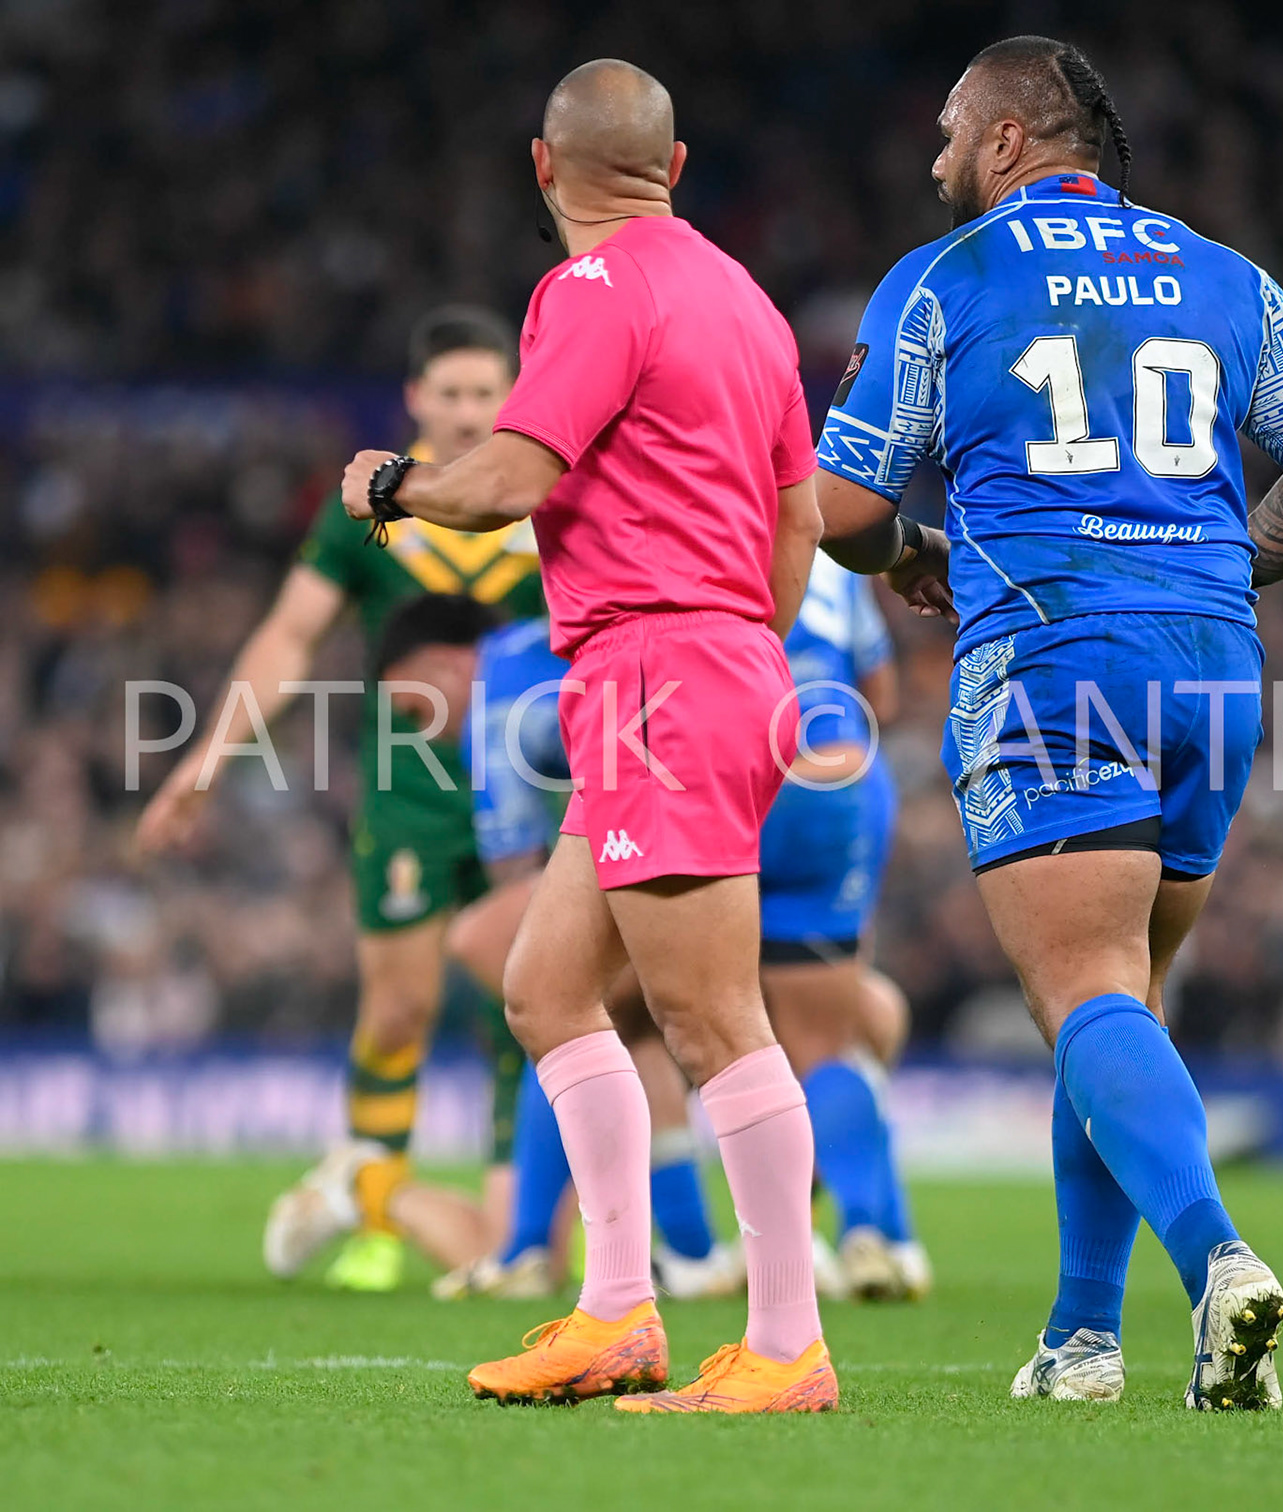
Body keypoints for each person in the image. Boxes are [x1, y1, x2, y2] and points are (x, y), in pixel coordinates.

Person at [813, 37, 1283, 1409]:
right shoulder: (1222, 272)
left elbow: (835, 510)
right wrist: (1220, 566)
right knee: (1116, 997)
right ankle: (1082, 1340)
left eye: (955, 131)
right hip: (1210, 661)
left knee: (1083, 991)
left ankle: (1220, 1263)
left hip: (1052, 654)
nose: (937, 156)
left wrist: (904, 544)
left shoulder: (949, 278)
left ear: (1014, 137)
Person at [341, 58, 833, 1415]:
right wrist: (750, 647)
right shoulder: (748, 302)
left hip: (662, 666)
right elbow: (798, 519)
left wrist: (395, 487)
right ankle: (618, 1312)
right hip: (704, 659)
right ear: (674, 171)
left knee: (710, 1016)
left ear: (544, 170)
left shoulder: (591, 291)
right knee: (546, 986)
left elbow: (506, 481)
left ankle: (788, 1341)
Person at [134, 306, 541, 1293]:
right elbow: (289, 637)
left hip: (536, 792)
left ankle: (513, 1217)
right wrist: (208, 758)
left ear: (513, 396)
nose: (465, 411)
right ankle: (375, 1208)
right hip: (410, 795)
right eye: (447, 393)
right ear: (414, 399)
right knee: (398, 1008)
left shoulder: (544, 497)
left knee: (530, 1008)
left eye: (485, 392)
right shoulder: (370, 504)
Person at [430, 611, 741, 1303]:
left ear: (444, 664)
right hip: (741, 770)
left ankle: (535, 1249)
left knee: (531, 975)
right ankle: (693, 1248)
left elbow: (511, 864)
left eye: (413, 701)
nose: (424, 724)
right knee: (627, 1023)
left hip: (656, 816)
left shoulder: (502, 674)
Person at [759, 553, 928, 1301]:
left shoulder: (685, 503)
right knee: (846, 1027)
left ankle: (697, 1246)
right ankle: (879, 1229)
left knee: (618, 1012)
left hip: (733, 766)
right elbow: (881, 696)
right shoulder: (828, 544)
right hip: (843, 774)